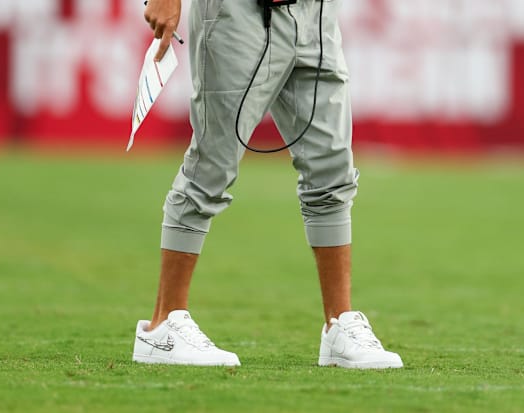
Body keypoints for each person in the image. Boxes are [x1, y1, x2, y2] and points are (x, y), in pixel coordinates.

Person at [132, 0, 403, 369]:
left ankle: (339, 324)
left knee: (333, 167)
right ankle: (163, 326)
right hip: (238, 11)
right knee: (213, 162)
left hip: (315, 13)